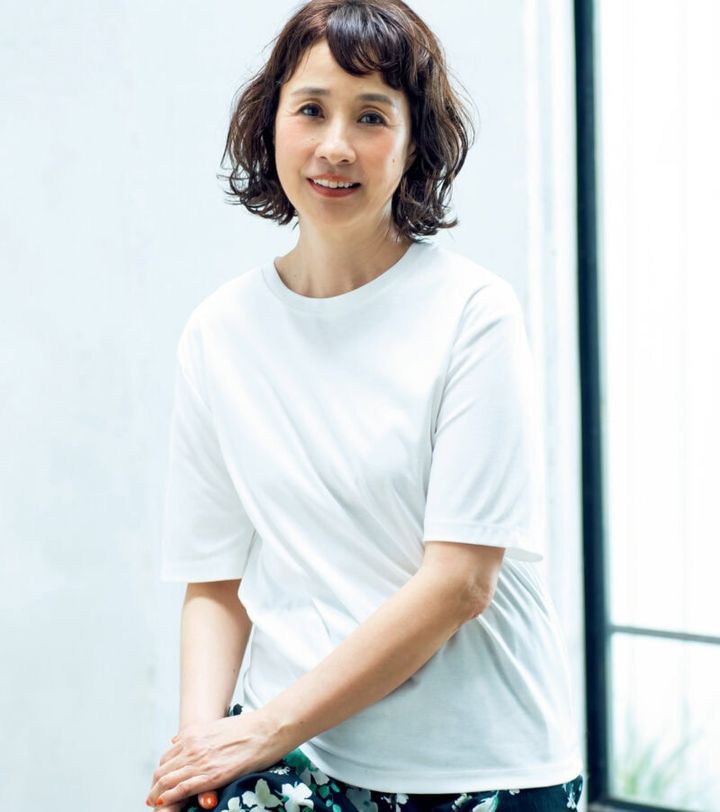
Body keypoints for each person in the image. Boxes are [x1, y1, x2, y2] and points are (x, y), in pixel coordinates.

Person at [146, 1, 585, 810]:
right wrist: (198, 753)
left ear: (415, 143)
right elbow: (215, 581)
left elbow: (460, 584)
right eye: (311, 109)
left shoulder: (473, 313)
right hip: (296, 751)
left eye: (373, 116)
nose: (336, 146)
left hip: (477, 765)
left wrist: (260, 730)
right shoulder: (219, 332)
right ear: (270, 122)